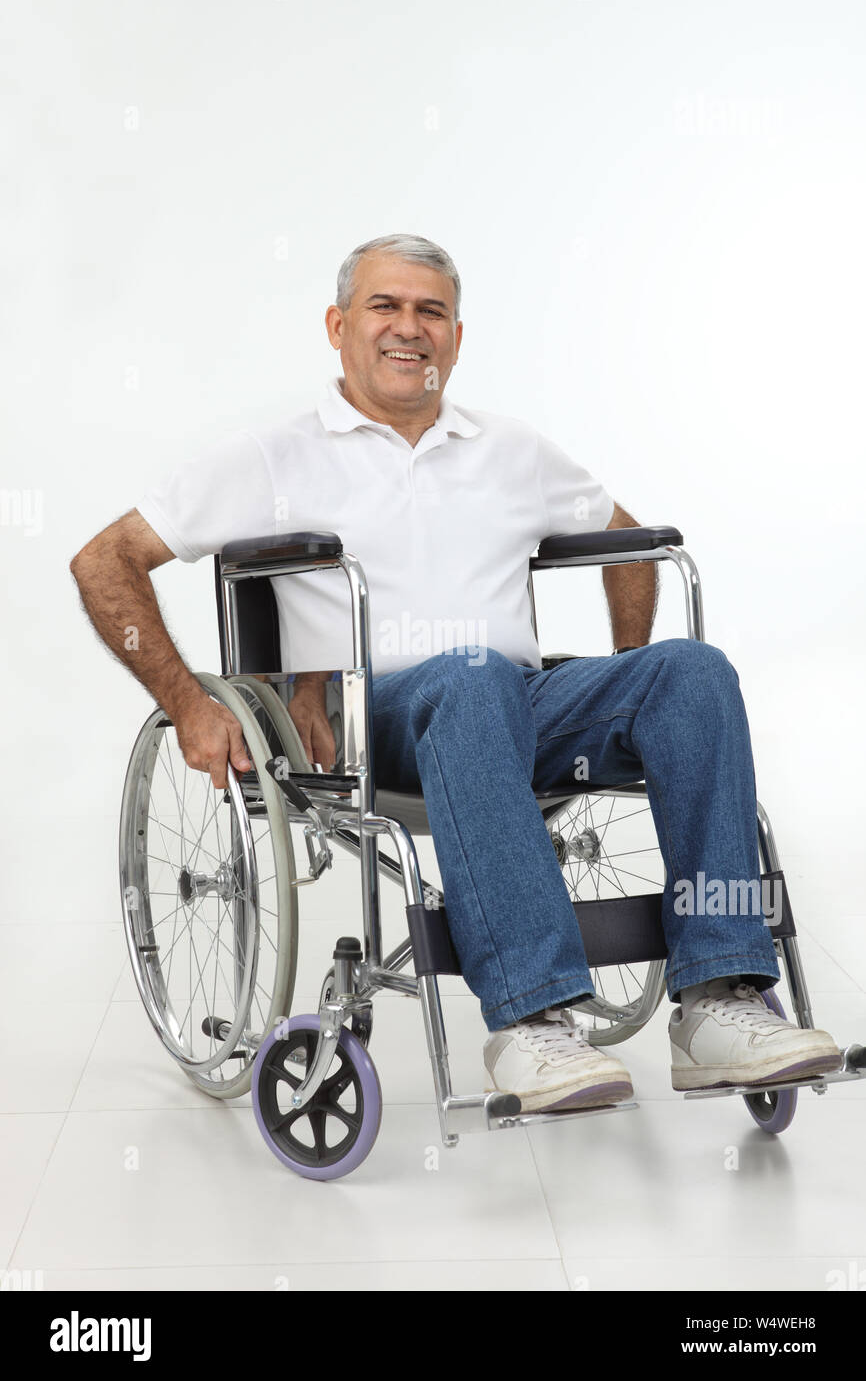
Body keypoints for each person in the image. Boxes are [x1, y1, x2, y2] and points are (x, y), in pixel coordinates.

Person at [70, 232, 842, 1113]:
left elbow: (632, 544)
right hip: (380, 717)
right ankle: (533, 1021)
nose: (410, 328)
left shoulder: (510, 449)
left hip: (524, 701)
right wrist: (190, 702)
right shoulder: (273, 457)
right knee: (470, 677)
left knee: (692, 674)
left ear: (457, 336)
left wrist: (634, 683)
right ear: (337, 326)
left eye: (430, 311)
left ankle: (720, 999)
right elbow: (105, 560)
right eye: (384, 307)